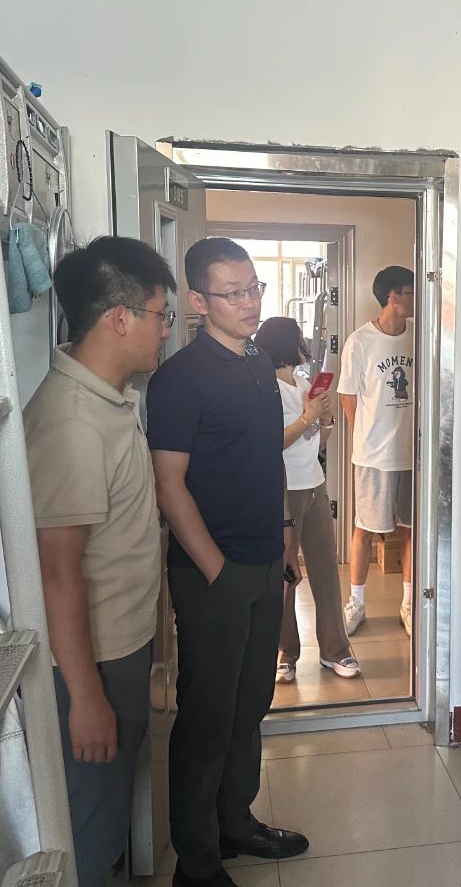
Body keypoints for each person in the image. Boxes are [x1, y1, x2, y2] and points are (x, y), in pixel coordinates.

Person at [147, 238, 310, 887]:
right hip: (211, 572)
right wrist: (217, 570)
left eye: (254, 289)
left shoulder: (258, 364)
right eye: (233, 292)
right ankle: (198, 861)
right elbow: (169, 487)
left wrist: (286, 530)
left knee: (251, 703)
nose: (249, 303)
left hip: (266, 560)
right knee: (208, 716)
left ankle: (235, 821)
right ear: (197, 300)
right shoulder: (180, 379)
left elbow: (267, 459)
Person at [23, 236, 176, 887]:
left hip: (123, 647)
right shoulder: (72, 423)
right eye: (160, 315)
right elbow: (56, 571)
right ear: (119, 318)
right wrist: (86, 698)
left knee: (111, 812)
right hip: (92, 663)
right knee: (92, 826)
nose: (165, 331)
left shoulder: (111, 399)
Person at [253, 316, 360, 682]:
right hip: (285, 490)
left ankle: (335, 651)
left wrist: (324, 419)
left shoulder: (301, 384)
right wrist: (307, 417)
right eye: (299, 337)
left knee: (326, 571)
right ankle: (286, 652)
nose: (305, 344)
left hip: (315, 484)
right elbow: (271, 443)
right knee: (286, 574)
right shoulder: (265, 389)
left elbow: (317, 442)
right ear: (285, 344)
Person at [338, 266, 416, 636]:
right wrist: (365, 436)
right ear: (393, 297)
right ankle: (356, 602)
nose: (416, 299)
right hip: (373, 455)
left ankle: (409, 603)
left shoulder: (419, 336)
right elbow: (347, 396)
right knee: (365, 528)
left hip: (413, 454)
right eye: (411, 292)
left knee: (412, 528)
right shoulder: (360, 341)